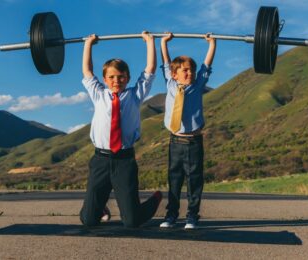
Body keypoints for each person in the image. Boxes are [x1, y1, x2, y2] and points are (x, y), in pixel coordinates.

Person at [79, 31, 163, 228]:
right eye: (112, 77)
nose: (117, 80)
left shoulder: (135, 95)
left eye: (121, 77)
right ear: (105, 79)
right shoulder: (98, 94)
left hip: (124, 160)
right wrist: (89, 44)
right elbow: (87, 71)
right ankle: (99, 207)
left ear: (128, 78)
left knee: (132, 222)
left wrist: (150, 42)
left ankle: (155, 200)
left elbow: (150, 70)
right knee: (88, 220)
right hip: (100, 159)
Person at [159, 32, 216, 229]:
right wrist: (163, 42)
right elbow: (166, 62)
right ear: (175, 74)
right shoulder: (170, 83)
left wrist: (211, 44)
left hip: (193, 142)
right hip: (175, 142)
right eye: (185, 70)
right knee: (174, 180)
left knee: (194, 181)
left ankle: (192, 216)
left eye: (191, 70)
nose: (189, 73)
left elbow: (206, 66)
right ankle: (171, 215)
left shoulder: (198, 85)